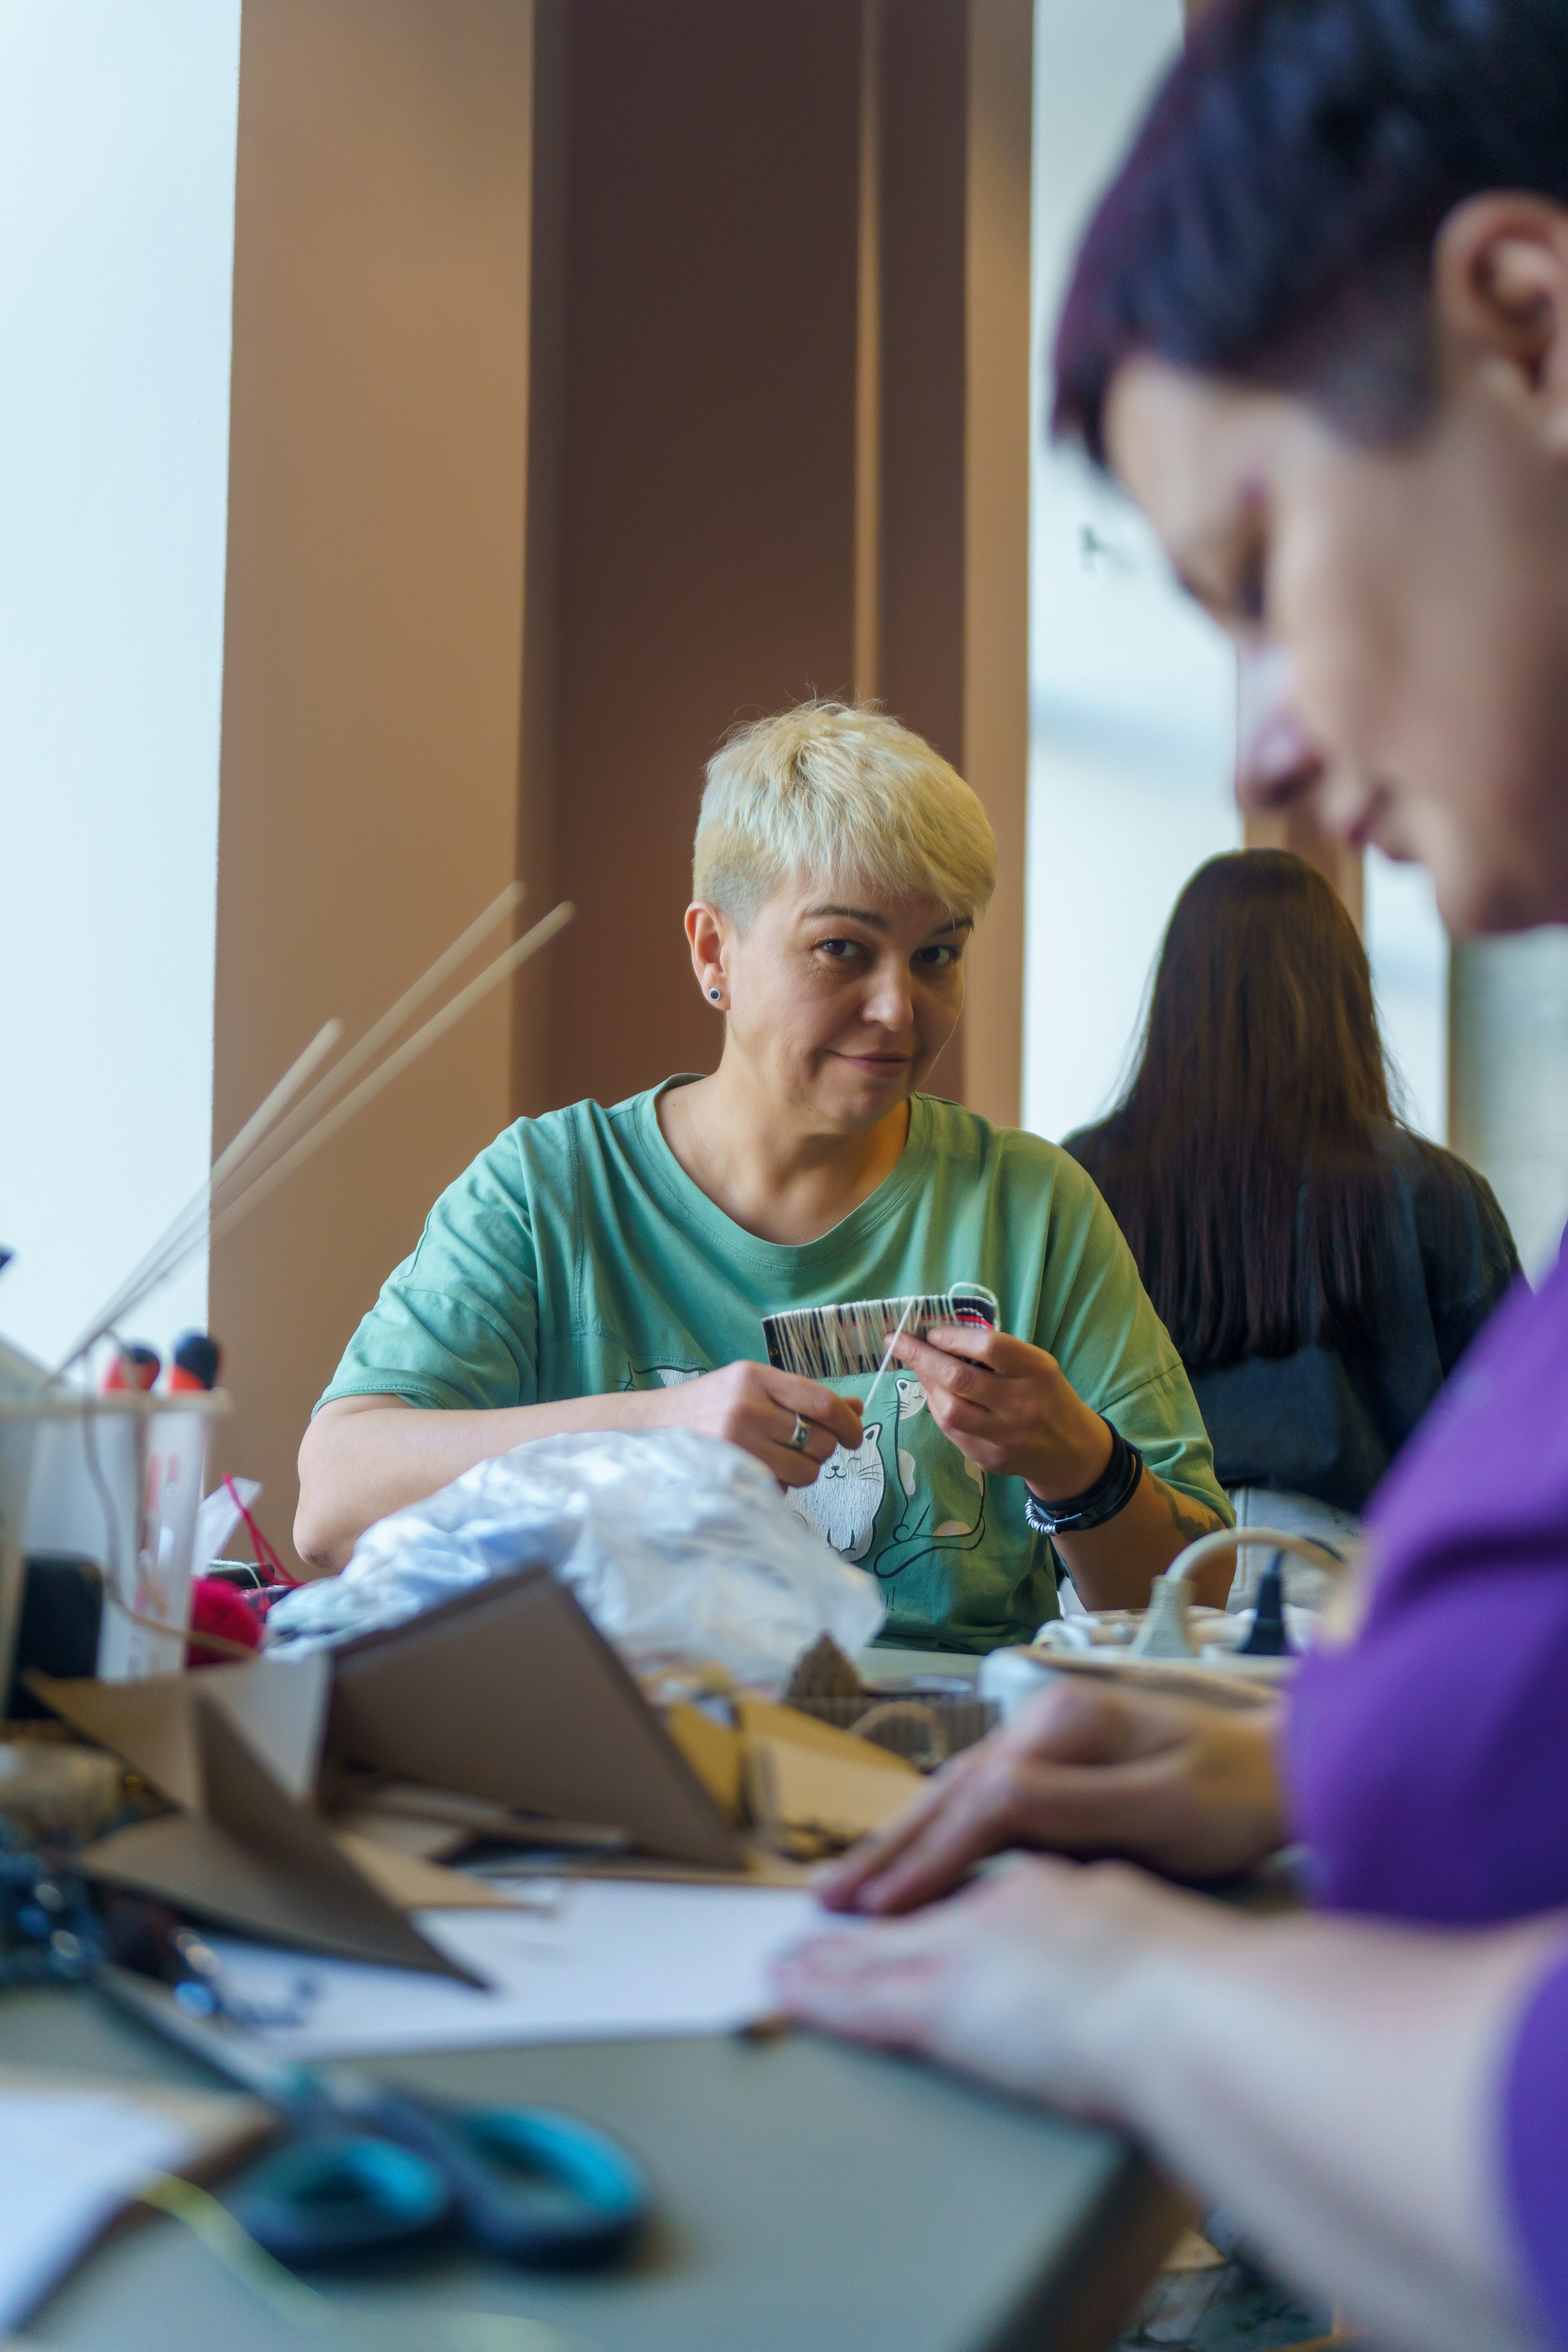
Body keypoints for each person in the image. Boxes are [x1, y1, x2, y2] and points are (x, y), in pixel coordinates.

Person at [777, 2, 1568, 2344]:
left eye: (1250, 561)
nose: (1268, 742)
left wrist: (1124, 1998)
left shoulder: (1064, 1199)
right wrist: (1299, 1749)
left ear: (1520, 326)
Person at [295, 701, 1231, 1645]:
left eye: (937, 954)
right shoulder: (549, 1194)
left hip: (949, 1764)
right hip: (632, 1757)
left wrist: (1081, 1463)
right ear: (714, 952)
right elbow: (333, 1505)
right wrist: (654, 1431)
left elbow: (1199, 1605)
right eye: (842, 950)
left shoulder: (1033, 1208)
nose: (899, 1010)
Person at [1066, 847, 1518, 1566]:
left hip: (1124, 1560)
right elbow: (1511, 1433)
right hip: (1347, 1571)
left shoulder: (1079, 1177)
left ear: (1177, 991)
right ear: (1345, 996)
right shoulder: (1433, 1189)